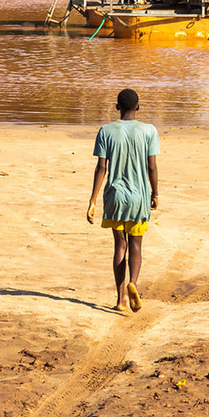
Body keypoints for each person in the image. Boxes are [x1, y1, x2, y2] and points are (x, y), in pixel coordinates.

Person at [86, 88, 160, 313]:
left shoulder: (106, 131)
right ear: (138, 107)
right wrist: (155, 194)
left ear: (117, 107)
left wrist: (93, 200)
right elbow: (152, 166)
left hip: (115, 197)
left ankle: (121, 300)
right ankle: (133, 283)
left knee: (120, 246)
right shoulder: (149, 131)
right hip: (139, 197)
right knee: (136, 244)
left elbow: (101, 167)